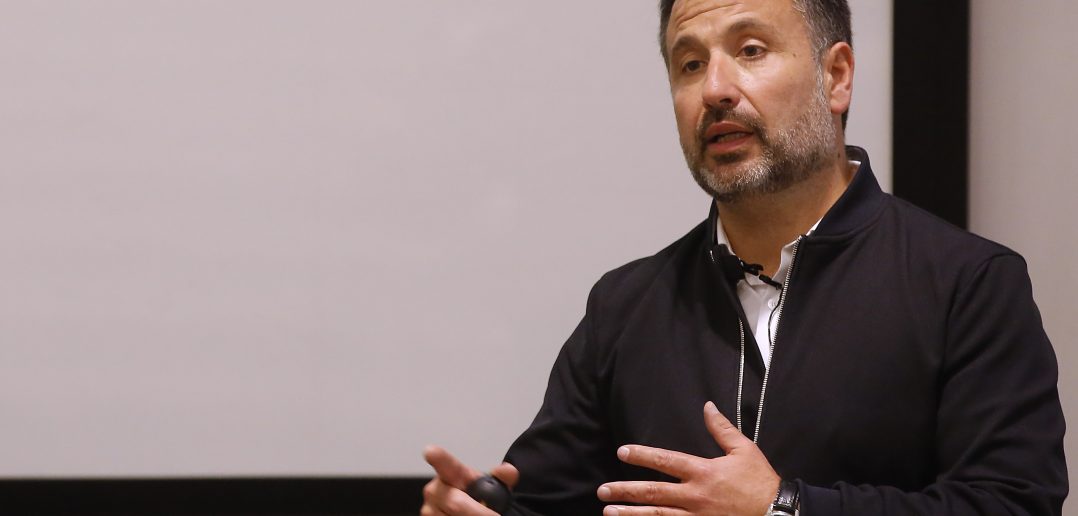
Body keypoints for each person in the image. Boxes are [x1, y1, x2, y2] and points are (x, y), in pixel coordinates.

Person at [421, 0, 1069, 514]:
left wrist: (782, 508)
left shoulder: (967, 283)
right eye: (689, 64)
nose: (715, 89)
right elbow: (545, 501)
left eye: (751, 50)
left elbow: (1012, 503)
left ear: (836, 76)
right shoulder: (626, 306)